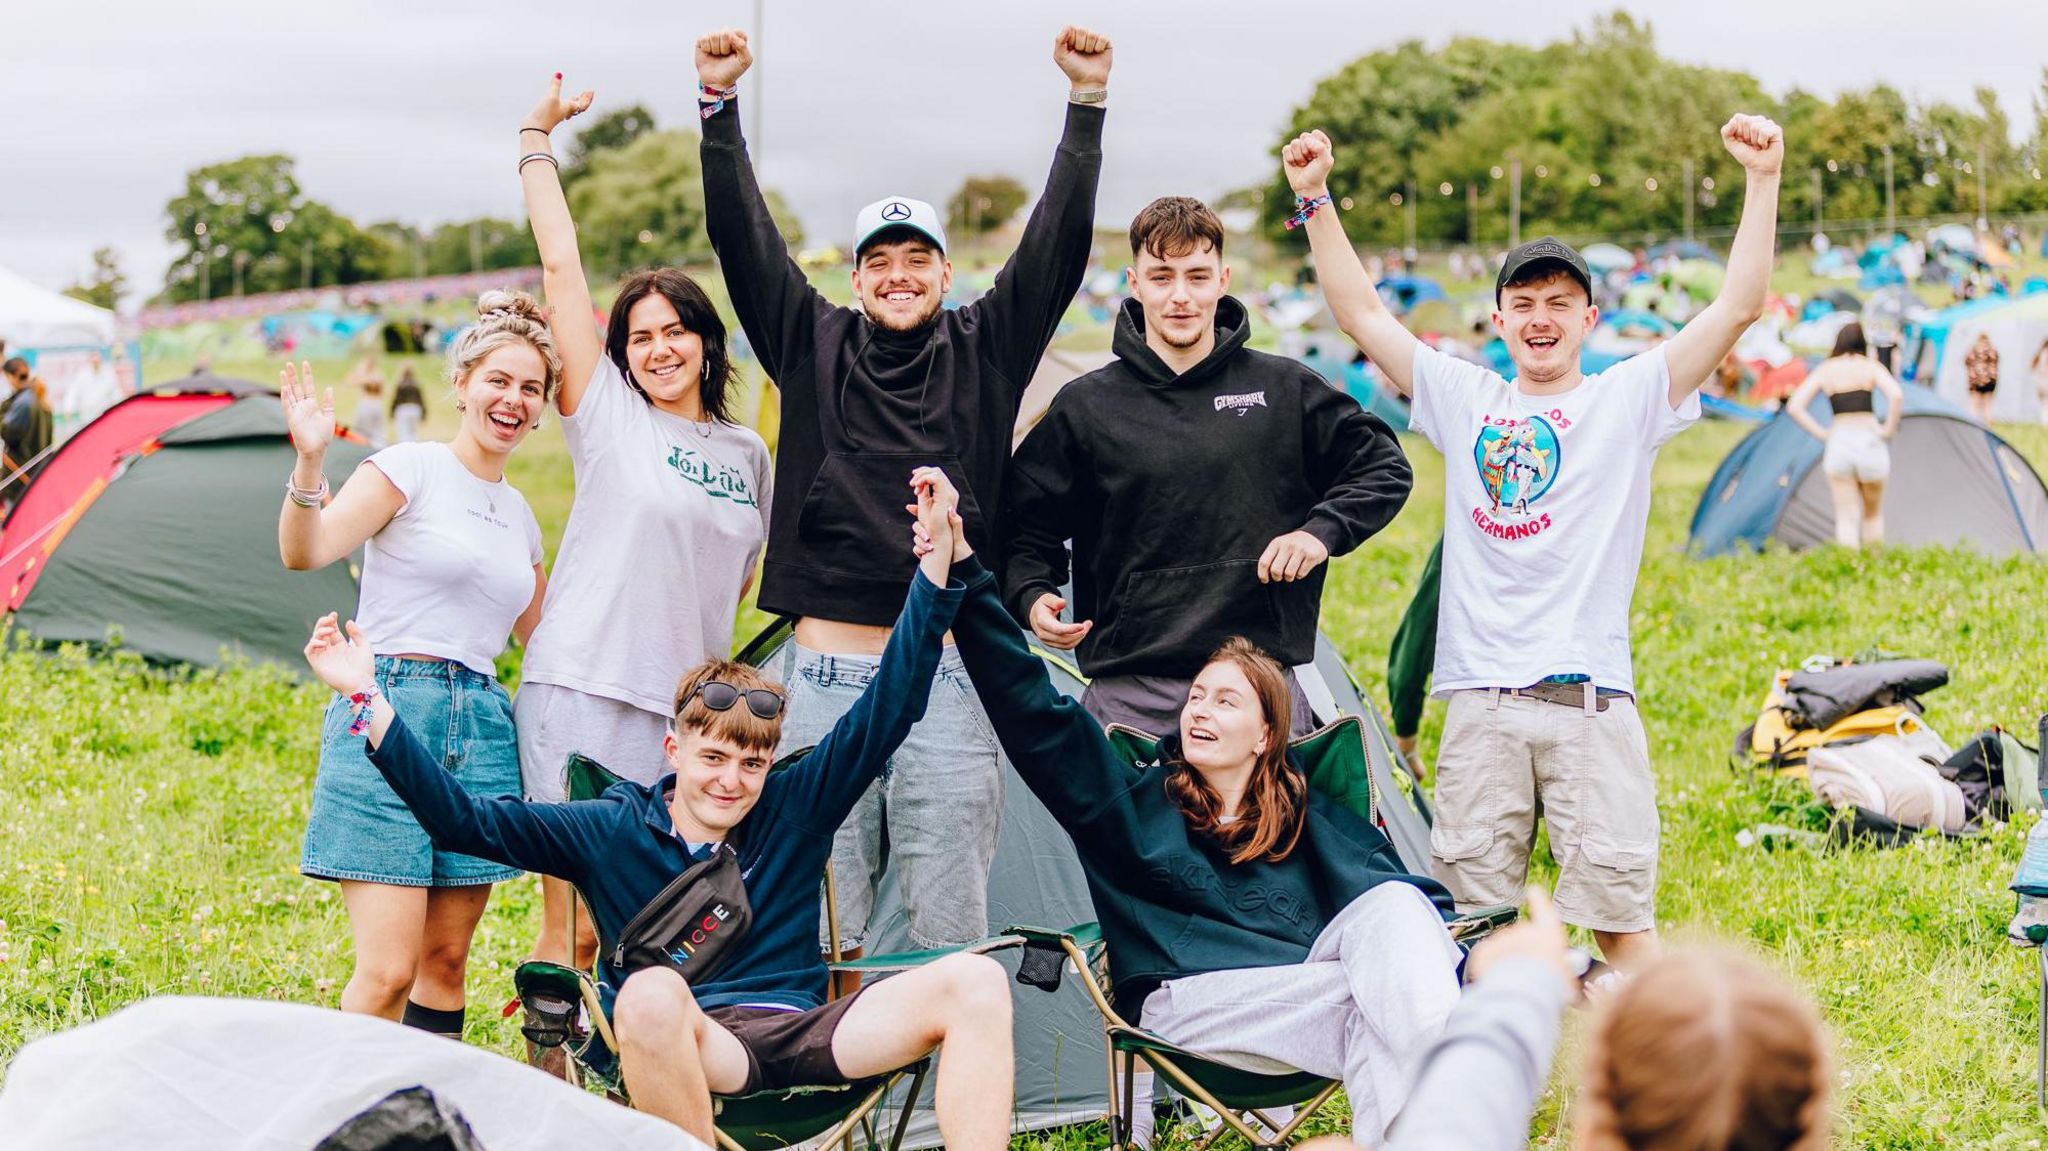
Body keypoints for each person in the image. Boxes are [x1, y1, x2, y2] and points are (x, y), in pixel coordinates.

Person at [297, 467, 1015, 1150]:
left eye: (751, 762)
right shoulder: (611, 827)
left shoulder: (796, 803)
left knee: (977, 981)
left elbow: (888, 708)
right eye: (713, 757)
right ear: (674, 749)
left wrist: (935, 569)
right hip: (699, 1041)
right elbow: (465, 821)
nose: (732, 780)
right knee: (646, 995)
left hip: (806, 1032)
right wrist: (369, 699)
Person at [1283, 114, 1785, 972]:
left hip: (1590, 701)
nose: (1541, 318)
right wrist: (1316, 199)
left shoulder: (1628, 398)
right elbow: (1360, 310)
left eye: (1559, 303)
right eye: (1524, 304)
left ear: (1589, 317)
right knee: (1473, 931)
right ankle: (1494, 1093)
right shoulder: (1465, 397)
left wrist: (1763, 178)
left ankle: (1648, 1090)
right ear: (1499, 319)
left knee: (1624, 931)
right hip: (1479, 704)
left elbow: (1738, 305)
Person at [696, 25, 1108, 958]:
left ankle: (937, 1104)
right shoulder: (810, 341)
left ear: (945, 273)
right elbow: (743, 241)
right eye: (879, 260)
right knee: (819, 919)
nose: (897, 274)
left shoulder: (987, 345)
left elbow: (1056, 246)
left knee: (947, 925)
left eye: (916, 257)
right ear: (855, 277)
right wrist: (718, 108)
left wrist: (1086, 105)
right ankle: (841, 1099)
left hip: (949, 676)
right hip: (824, 683)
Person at [918, 470, 1460, 1145]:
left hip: (1302, 999)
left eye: (1225, 701)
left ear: (1267, 734)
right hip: (1186, 1005)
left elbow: (1400, 913)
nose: (1200, 709)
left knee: (1393, 912)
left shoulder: (1304, 813)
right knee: (1375, 1001)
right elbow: (1030, 706)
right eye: (1197, 696)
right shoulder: (1129, 801)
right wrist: (967, 568)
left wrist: (1452, 949)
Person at [515, 73, 773, 988]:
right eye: (640, 337)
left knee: (658, 925)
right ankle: (556, 1097)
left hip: (679, 722)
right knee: (577, 927)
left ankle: (634, 1096)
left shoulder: (747, 454)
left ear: (708, 340)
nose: (659, 348)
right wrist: (536, 140)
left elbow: (731, 583)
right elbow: (561, 270)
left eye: (676, 330)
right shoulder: (609, 418)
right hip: (582, 685)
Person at [1004, 196, 1410, 738]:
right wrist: (1032, 594)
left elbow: (1383, 463)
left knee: (1270, 829)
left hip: (1259, 686)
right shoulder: (1086, 407)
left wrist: (1322, 532)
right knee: (1130, 827)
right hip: (1132, 694)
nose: (1180, 296)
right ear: (1134, 281)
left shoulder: (1282, 389)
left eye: (1197, 276)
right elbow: (1025, 523)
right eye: (1161, 276)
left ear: (1222, 279)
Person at [278, 291, 553, 1040]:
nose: (513, 399)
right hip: (390, 708)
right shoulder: (411, 468)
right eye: (499, 379)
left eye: (531, 388)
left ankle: (420, 1119)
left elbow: (549, 640)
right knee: (388, 970)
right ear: (462, 383)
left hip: (483, 731)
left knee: (445, 963)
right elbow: (306, 550)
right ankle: (335, 1117)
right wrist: (310, 462)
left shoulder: (522, 515)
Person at [1784, 322, 1904, 548]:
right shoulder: (1870, 367)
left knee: (1846, 517)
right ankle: (1873, 565)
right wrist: (1888, 429)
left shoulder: (1826, 369)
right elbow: (1896, 395)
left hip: (1839, 444)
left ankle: (1849, 566)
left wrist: (1821, 433)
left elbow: (1795, 406)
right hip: (1870, 442)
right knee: (1873, 514)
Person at [1965, 332, 2000, 422]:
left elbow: (1967, 362)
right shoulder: (1992, 351)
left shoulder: (1973, 351)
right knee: (1988, 404)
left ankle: (1973, 423)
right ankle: (1988, 424)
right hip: (1990, 381)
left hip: (1975, 380)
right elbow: (1996, 362)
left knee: (1974, 404)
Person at [390, 366, 428, 443]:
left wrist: (391, 412)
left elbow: (396, 400)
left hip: (403, 410)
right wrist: (424, 414)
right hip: (415, 409)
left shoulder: (400, 384)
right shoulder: (416, 384)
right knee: (413, 433)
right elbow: (421, 400)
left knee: (402, 434)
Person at [353, 375, 389, 450]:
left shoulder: (362, 404)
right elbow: (380, 426)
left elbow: (358, 423)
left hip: (363, 441)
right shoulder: (377, 405)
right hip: (376, 443)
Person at [2033, 339, 2048, 428]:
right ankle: (2045, 423)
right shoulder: (2046, 355)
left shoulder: (2040, 355)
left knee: (2044, 405)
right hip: (2046, 384)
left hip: (2040, 385)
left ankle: (2044, 422)